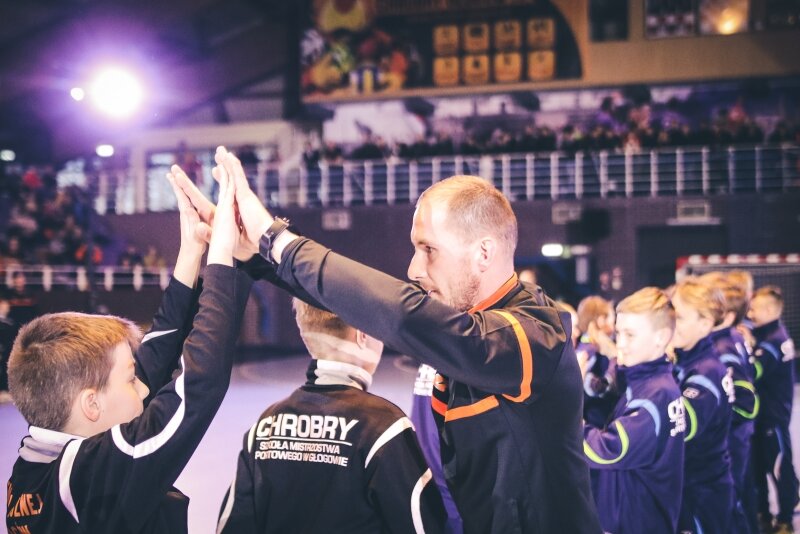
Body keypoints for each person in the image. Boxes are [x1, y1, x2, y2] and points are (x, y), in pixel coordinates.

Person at [174, 146, 602, 534]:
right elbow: (364, 306)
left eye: (428, 249)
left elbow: (404, 315)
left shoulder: (537, 333)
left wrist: (277, 240)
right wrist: (256, 255)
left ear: (484, 253)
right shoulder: (464, 323)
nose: (414, 269)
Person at [5, 166, 252, 533]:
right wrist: (225, 258)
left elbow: (153, 357)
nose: (144, 387)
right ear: (91, 404)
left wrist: (191, 252)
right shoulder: (87, 476)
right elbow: (200, 386)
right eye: (130, 379)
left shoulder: (36, 465)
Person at [217, 299, 446, 533]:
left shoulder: (266, 427)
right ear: (362, 335)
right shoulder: (385, 428)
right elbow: (422, 527)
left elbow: (233, 526)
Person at [583, 287, 685, 534]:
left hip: (637, 522)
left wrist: (566, 420)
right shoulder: (647, 381)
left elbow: (608, 451)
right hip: (637, 515)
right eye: (619, 333)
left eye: (630, 335)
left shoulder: (656, 394)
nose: (621, 344)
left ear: (661, 338)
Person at [671, 279, 735, 534]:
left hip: (702, 489)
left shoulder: (706, 371)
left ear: (705, 323)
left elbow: (679, 428)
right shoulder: (687, 360)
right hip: (696, 482)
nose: (671, 323)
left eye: (680, 317)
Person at [699, 271, 758, 534]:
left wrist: (719, 421)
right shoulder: (731, 338)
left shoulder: (722, 350)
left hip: (732, 441)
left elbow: (746, 403)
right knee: (739, 502)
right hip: (737, 439)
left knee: (730, 508)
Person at [748, 286, 798, 534]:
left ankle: (786, 520)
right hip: (765, 418)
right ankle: (764, 515)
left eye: (754, 309)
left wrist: (744, 350)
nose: (750, 314)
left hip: (772, 418)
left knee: (779, 468)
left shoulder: (772, 341)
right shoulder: (772, 334)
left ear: (769, 311)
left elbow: (752, 372)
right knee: (759, 468)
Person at [576, 295, 620, 428]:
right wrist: (615, 359)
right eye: (612, 317)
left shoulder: (583, 346)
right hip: (598, 424)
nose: (615, 323)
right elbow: (596, 386)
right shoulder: (592, 350)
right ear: (601, 320)